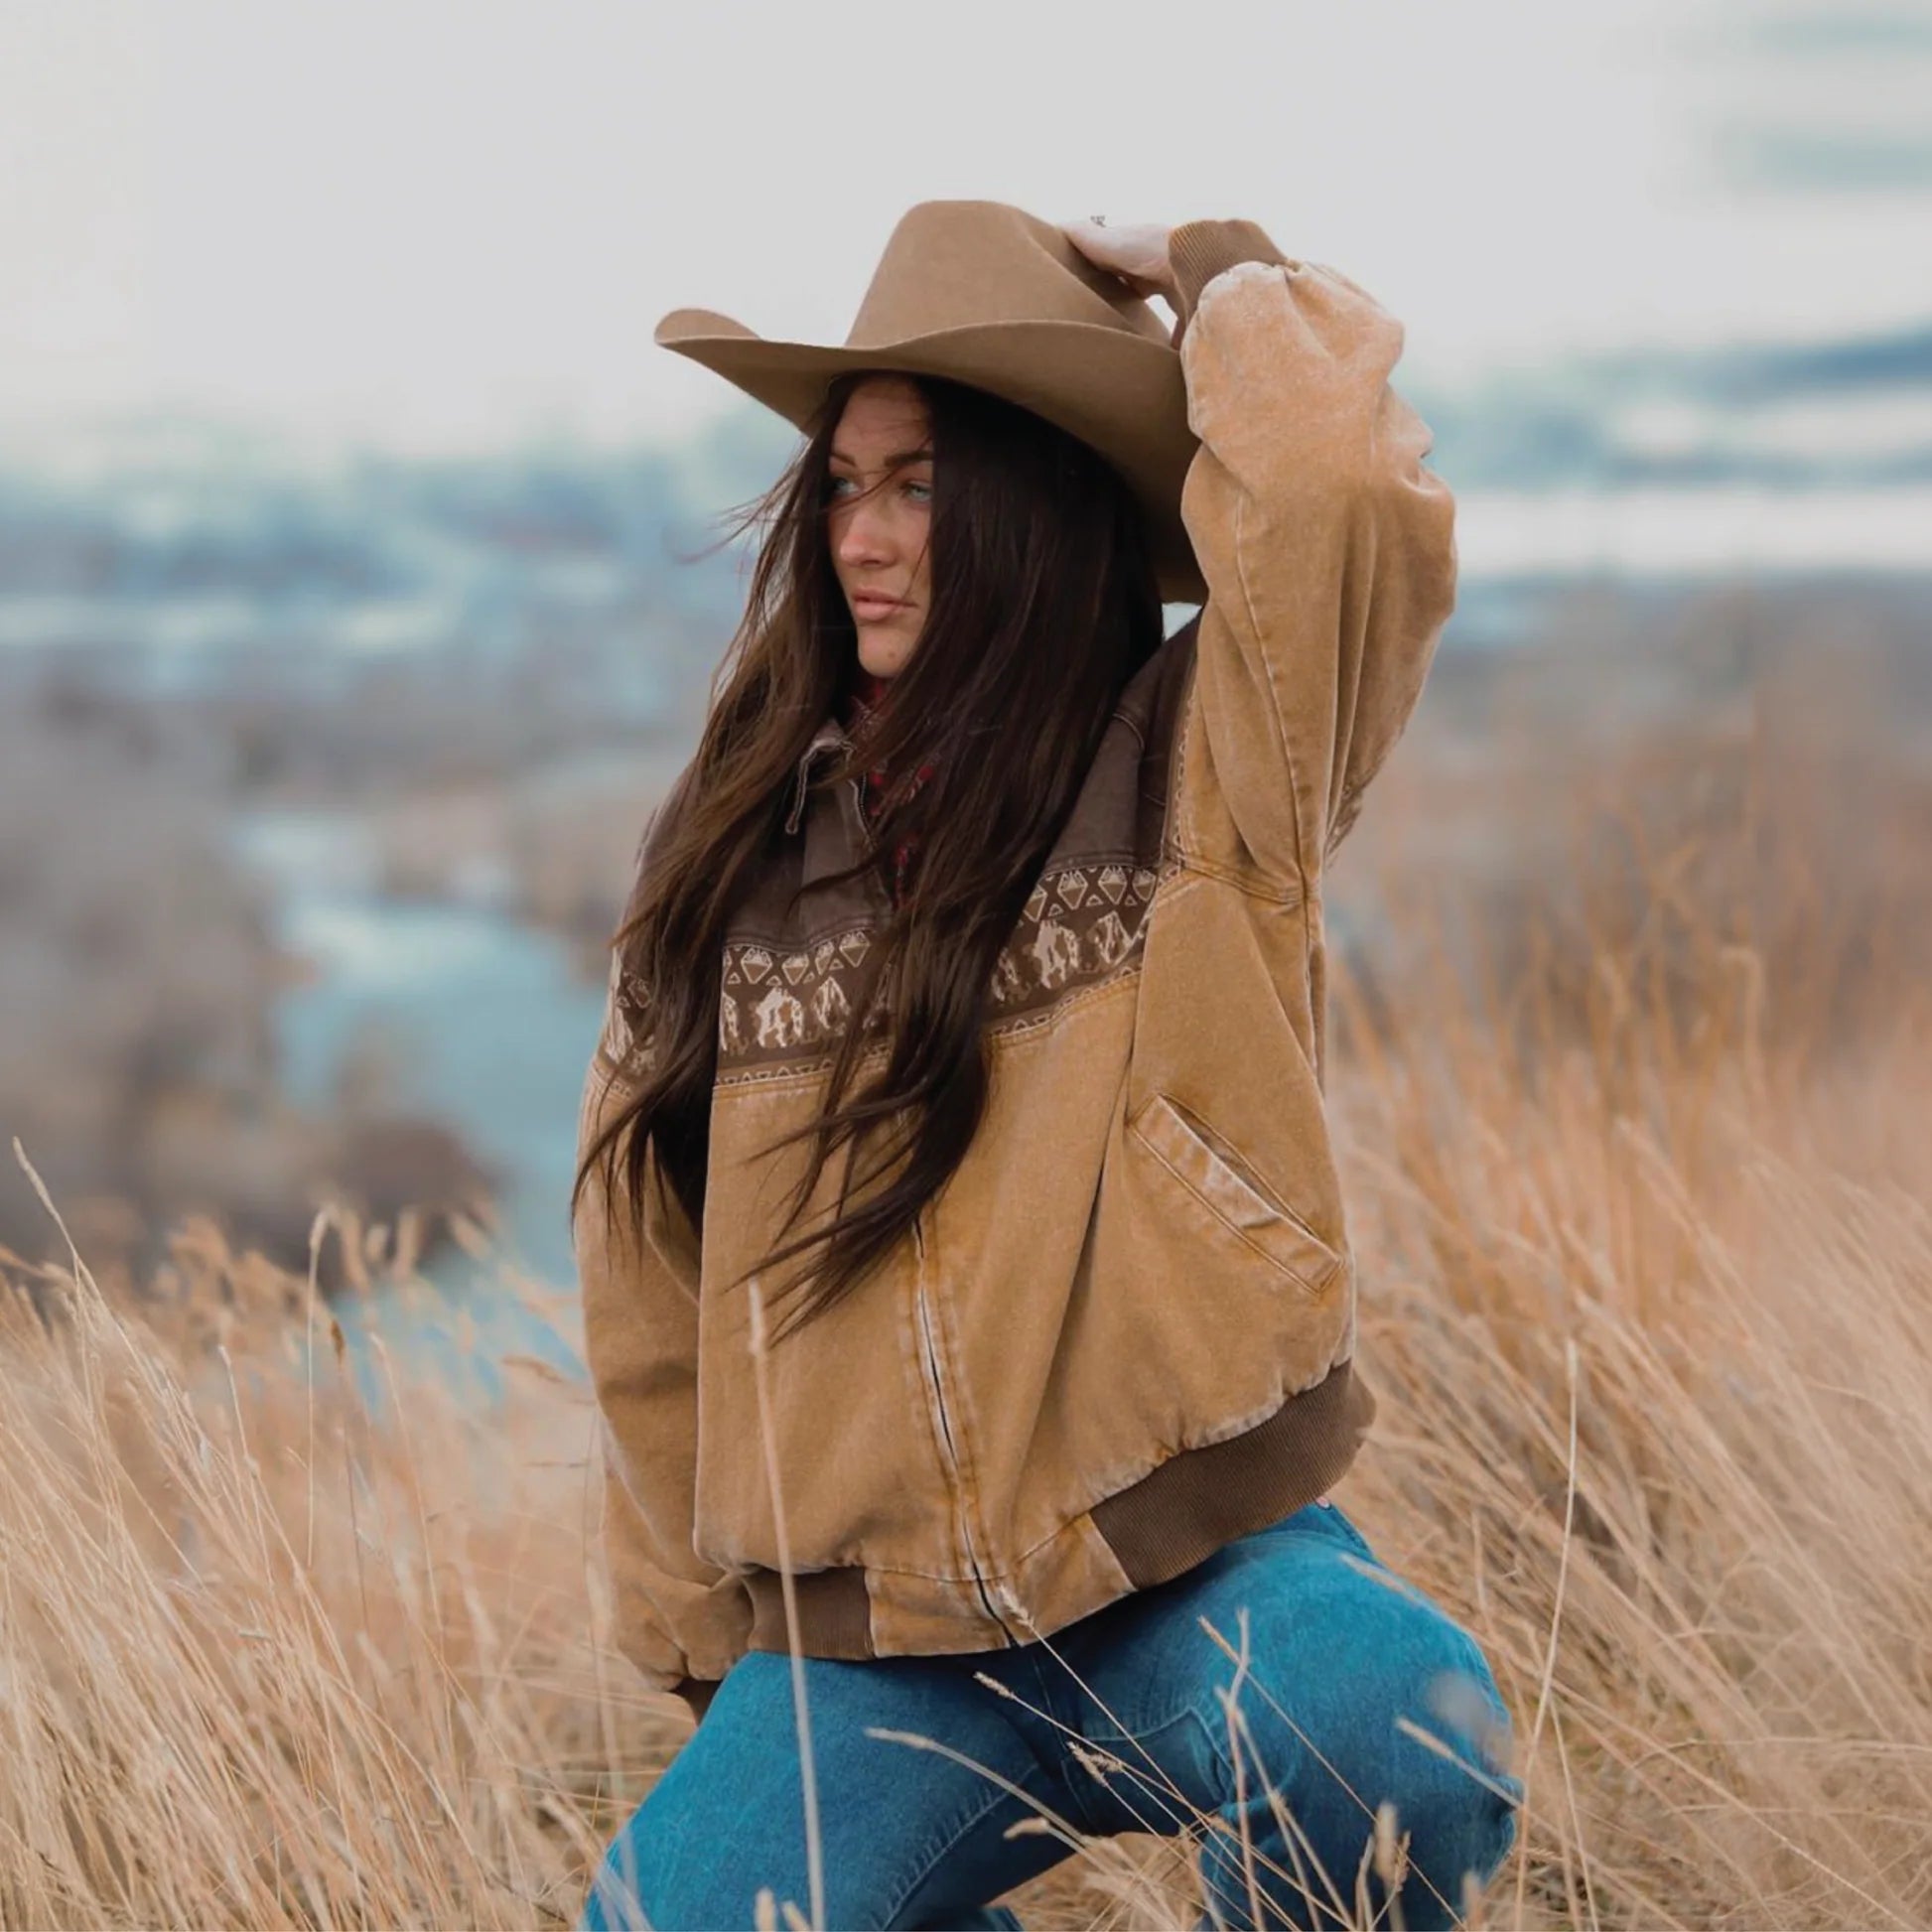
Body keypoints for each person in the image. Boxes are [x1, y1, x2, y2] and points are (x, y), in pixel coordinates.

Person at [570, 201, 1523, 1930]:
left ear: (1033, 502)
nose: (860, 537)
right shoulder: (723, 871)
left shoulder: (1201, 778)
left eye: (919, 484)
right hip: (872, 1655)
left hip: (1191, 1573)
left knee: (1403, 1726)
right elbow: (646, 1292)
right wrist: (711, 1655)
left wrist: (1210, 272)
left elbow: (1342, 497)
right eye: (841, 485)